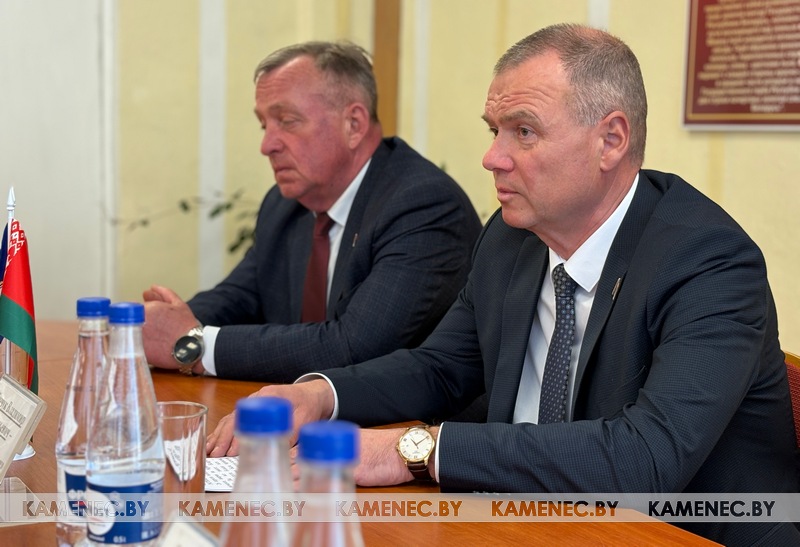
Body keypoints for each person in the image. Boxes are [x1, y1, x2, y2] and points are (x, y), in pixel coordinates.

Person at [207, 24, 799, 545]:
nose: (492, 158)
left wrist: (417, 451)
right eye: (494, 130)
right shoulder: (511, 237)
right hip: (522, 521)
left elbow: (643, 459)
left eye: (524, 132)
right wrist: (318, 395)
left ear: (611, 140)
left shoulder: (708, 261)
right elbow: (441, 368)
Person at [141, 41, 482, 382]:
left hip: (403, 414)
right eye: (264, 125)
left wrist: (195, 345)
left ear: (354, 124)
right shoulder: (286, 205)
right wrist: (155, 326)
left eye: (287, 121)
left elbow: (353, 347)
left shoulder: (423, 205)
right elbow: (241, 296)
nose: (267, 145)